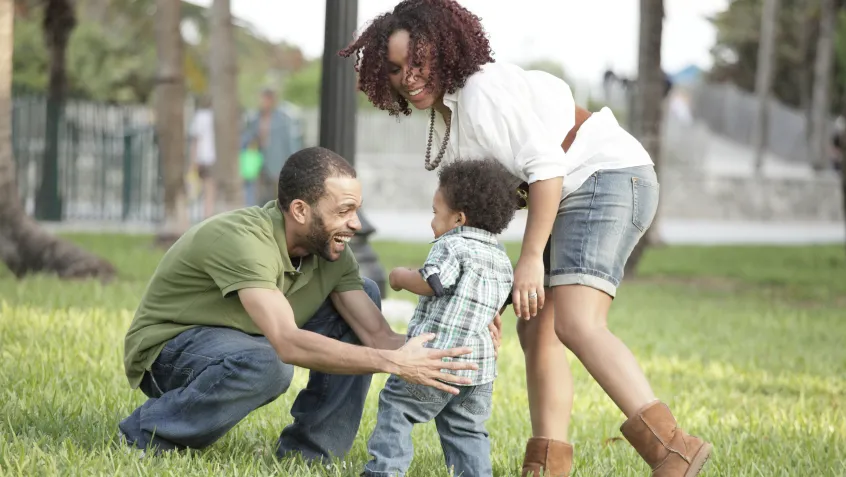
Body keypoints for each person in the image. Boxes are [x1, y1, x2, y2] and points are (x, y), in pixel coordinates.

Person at [340, 1, 713, 476]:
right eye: (395, 69)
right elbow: (482, 217)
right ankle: (547, 464)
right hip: (578, 188)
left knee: (577, 323)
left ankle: (673, 449)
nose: (409, 77)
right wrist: (483, 304)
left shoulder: (479, 93)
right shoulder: (449, 112)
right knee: (536, 326)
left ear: (444, 49)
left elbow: (547, 167)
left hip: (605, 177)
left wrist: (531, 257)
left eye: (419, 61)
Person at [118, 146, 502, 464]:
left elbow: (378, 336)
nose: (356, 224)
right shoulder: (242, 239)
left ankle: (310, 455)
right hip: (171, 352)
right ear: (300, 210)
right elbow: (287, 343)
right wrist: (391, 363)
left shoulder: (332, 255)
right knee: (269, 364)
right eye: (344, 210)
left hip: (249, 340)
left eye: (357, 210)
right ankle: (147, 433)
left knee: (364, 293)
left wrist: (458, 345)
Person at [363, 159, 516, 477]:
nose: (432, 221)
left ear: (459, 218)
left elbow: (435, 282)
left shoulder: (453, 244)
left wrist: (401, 277)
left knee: (398, 409)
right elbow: (498, 304)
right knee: (467, 430)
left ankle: (385, 471)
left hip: (435, 359)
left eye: (435, 212)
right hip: (478, 371)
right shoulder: (501, 257)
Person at [240, 88, 303, 206]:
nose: (261, 102)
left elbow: (289, 142)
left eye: (263, 99)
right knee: (259, 196)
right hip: (259, 163)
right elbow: (249, 138)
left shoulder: (282, 119)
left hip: (278, 163)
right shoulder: (255, 118)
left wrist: (293, 162)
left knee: (277, 195)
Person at [188, 96, 216, 218]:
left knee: (205, 188)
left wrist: (193, 159)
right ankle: (208, 214)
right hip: (212, 157)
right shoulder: (217, 117)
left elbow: (195, 140)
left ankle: (206, 214)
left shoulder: (200, 116)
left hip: (203, 157)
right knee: (210, 189)